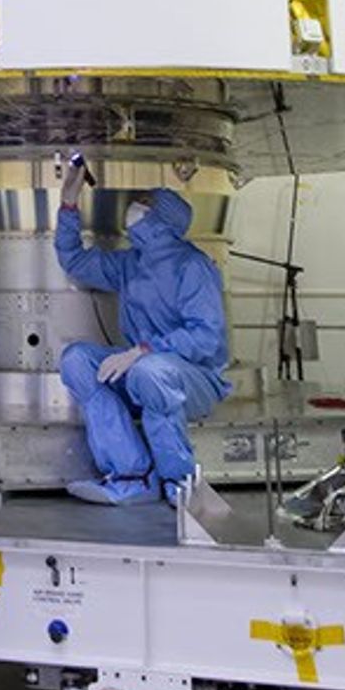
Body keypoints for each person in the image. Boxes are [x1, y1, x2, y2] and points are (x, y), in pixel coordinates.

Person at [54, 160, 231, 504]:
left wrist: (144, 350)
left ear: (161, 218)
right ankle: (131, 475)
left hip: (195, 379)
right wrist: (69, 204)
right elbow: (74, 261)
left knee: (151, 372)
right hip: (144, 371)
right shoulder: (130, 263)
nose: (132, 208)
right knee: (77, 360)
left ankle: (180, 485)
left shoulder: (192, 265)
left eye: (142, 203)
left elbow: (206, 337)